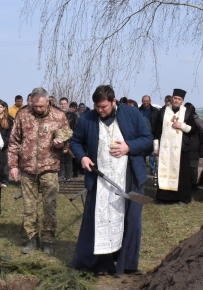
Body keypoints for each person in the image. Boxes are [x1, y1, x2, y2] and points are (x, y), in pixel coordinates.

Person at [70, 85, 153, 276]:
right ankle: (101, 264)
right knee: (100, 219)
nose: (100, 110)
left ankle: (127, 265)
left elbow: (147, 139)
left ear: (114, 102)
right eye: (97, 106)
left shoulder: (131, 114)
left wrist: (129, 147)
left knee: (131, 221)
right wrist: (82, 157)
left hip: (130, 176)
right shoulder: (88, 118)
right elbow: (75, 142)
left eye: (104, 106)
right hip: (100, 179)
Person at [8, 87, 70, 254]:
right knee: (29, 207)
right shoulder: (23, 115)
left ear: (48, 101)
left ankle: (48, 239)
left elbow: (67, 141)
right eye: (35, 106)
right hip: (27, 168)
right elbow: (14, 141)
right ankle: (31, 239)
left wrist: (62, 144)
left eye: (42, 106)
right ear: (31, 102)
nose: (39, 109)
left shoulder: (59, 116)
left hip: (49, 168)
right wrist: (13, 165)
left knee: (50, 206)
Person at [153, 89, 197, 204]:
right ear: (171, 99)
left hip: (181, 149)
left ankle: (181, 197)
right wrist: (156, 148)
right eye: (175, 98)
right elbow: (156, 131)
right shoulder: (163, 111)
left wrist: (181, 125)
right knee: (165, 172)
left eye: (179, 99)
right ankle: (164, 198)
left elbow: (194, 130)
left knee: (182, 175)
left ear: (182, 101)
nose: (176, 101)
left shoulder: (187, 112)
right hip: (165, 149)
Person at [139, 95, 160, 175]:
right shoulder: (139, 110)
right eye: (143, 100)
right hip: (142, 135)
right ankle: (142, 169)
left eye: (146, 100)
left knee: (152, 153)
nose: (145, 102)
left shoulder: (155, 111)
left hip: (153, 134)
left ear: (150, 101)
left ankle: (153, 169)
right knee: (142, 153)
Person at [186, 103, 203, 190]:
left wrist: (202, 147)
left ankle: (194, 184)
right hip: (187, 147)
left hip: (194, 148)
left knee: (193, 167)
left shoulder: (197, 121)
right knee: (188, 167)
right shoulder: (185, 119)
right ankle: (189, 183)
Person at [58, 97, 77, 180]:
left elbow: (76, 128)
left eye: (64, 104)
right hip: (58, 140)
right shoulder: (56, 115)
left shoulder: (73, 115)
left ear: (67, 104)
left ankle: (68, 177)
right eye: (61, 104)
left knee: (68, 159)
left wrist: (72, 139)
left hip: (69, 140)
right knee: (60, 159)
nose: (63, 105)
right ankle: (61, 176)